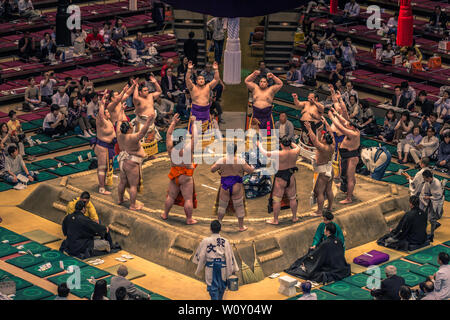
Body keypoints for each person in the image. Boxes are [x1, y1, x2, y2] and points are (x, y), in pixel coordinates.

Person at [162, 114, 199, 224]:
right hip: (185, 177)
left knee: (171, 196)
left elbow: (168, 134)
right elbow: (195, 138)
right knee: (188, 199)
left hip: (174, 175)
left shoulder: (170, 148)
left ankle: (165, 214)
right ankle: (189, 219)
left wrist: (173, 122)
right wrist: (194, 123)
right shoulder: (187, 149)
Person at [285, 223, 350, 284]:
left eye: (324, 229)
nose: (323, 230)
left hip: (330, 267)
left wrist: (310, 252)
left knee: (307, 263)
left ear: (328, 231)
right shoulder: (339, 240)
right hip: (341, 266)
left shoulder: (325, 243)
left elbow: (317, 255)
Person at [211, 144, 254, 232]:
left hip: (225, 186)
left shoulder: (222, 160)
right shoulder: (240, 161)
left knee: (222, 206)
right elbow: (250, 171)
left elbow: (212, 169)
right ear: (235, 150)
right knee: (239, 206)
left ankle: (219, 225)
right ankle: (241, 227)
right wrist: (252, 166)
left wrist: (220, 170)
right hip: (237, 187)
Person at [258, 137, 301, 225]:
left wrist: (259, 145)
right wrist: (291, 142)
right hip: (291, 177)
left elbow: (265, 153)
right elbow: (297, 146)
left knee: (277, 200)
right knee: (292, 198)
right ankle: (294, 217)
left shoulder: (278, 153)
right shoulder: (296, 151)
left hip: (280, 179)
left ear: (281, 144)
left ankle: (275, 220)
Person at [193, 220, 239, 300]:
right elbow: (229, 256)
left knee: (213, 289)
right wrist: (231, 269)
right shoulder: (225, 241)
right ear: (220, 229)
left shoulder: (205, 241)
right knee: (221, 288)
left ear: (210, 229)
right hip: (223, 267)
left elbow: (201, 255)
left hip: (210, 267)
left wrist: (199, 267)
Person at [116, 115, 153, 211]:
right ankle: (133, 205)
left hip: (122, 162)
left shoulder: (119, 134)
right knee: (133, 185)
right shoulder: (132, 137)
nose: (132, 126)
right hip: (131, 162)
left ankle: (120, 199)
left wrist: (121, 111)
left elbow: (118, 122)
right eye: (131, 126)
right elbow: (142, 133)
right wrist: (148, 121)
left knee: (122, 181)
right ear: (128, 129)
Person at [329, 108, 360, 204]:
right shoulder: (352, 128)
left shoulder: (353, 133)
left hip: (351, 157)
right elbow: (344, 122)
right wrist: (336, 114)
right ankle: (348, 191)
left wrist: (331, 118)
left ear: (353, 127)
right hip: (347, 156)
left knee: (350, 178)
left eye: (350, 125)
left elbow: (341, 127)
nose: (348, 125)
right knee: (349, 176)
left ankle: (349, 198)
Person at [306, 120, 335, 215]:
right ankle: (330, 207)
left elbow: (314, 140)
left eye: (322, 137)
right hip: (330, 169)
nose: (321, 137)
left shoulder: (323, 148)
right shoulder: (332, 145)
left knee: (320, 192)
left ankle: (319, 211)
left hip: (323, 172)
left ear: (325, 140)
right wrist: (326, 124)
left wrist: (309, 128)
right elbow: (331, 132)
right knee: (329, 189)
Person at [91, 92, 116, 195]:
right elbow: (100, 115)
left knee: (105, 166)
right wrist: (102, 103)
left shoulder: (108, 120)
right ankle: (101, 188)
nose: (108, 113)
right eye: (106, 112)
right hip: (103, 147)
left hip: (108, 146)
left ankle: (105, 180)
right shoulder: (101, 121)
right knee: (102, 167)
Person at [185, 61, 221, 133]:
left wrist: (216, 70)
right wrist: (189, 70)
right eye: (199, 79)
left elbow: (216, 79)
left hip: (206, 112)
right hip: (196, 112)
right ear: (196, 81)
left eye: (202, 79)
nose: (201, 80)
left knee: (206, 132)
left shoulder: (208, 87)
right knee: (194, 132)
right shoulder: (192, 88)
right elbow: (187, 79)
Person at [132, 77, 162, 156]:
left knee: (150, 139)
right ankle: (141, 155)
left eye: (147, 90)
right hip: (142, 123)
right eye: (145, 91)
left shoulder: (150, 96)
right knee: (140, 141)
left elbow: (159, 91)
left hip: (151, 122)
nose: (147, 92)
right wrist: (136, 87)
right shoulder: (138, 100)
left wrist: (155, 82)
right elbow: (134, 97)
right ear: (140, 92)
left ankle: (150, 155)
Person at [420, 170, 444, 242]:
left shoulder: (437, 183)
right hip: (430, 201)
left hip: (437, 201)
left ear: (428, 177)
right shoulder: (427, 182)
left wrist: (429, 197)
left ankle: (432, 234)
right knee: (429, 217)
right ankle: (432, 231)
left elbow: (439, 196)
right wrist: (425, 196)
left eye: (424, 178)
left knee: (433, 218)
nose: (424, 179)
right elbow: (425, 190)